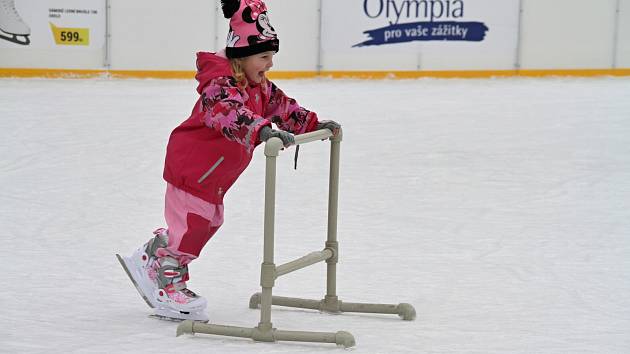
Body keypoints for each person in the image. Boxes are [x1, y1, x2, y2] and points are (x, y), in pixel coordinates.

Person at [117, 0, 340, 321]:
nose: (271, 63)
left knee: (207, 222)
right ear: (242, 57)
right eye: (264, 56)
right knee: (194, 224)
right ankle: (164, 278)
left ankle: (157, 253)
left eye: (272, 56)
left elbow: (282, 106)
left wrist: (311, 124)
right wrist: (261, 131)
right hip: (191, 168)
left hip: (214, 176)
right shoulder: (219, 88)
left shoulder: (258, 86)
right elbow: (229, 114)